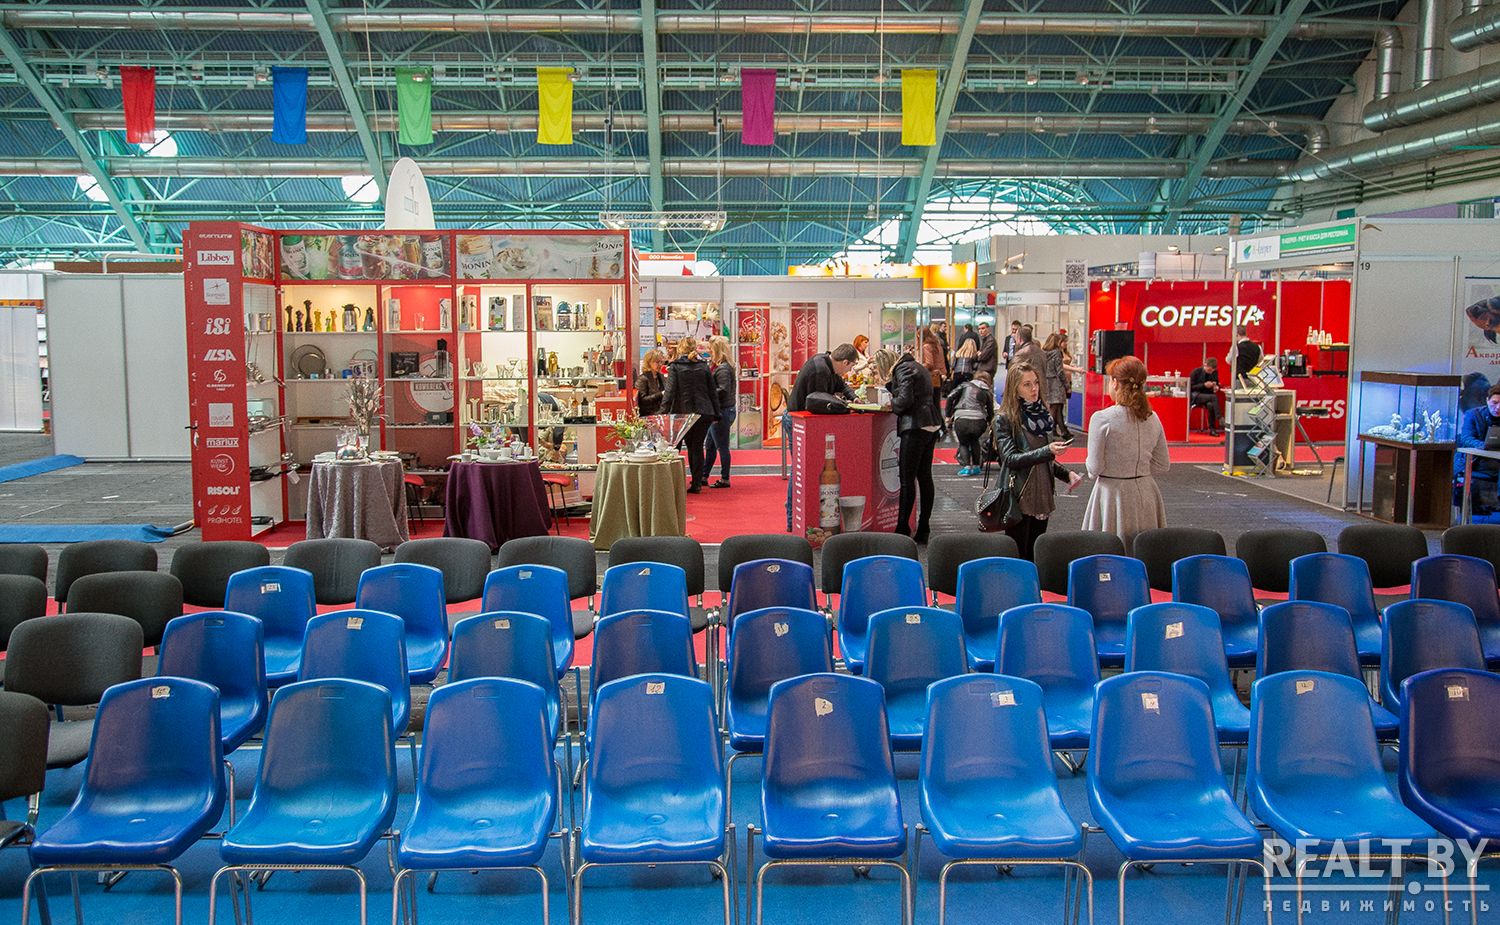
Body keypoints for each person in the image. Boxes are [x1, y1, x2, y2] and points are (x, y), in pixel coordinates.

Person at [980, 362, 1080, 559]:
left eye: (1036, 382)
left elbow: (1043, 458)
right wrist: (1047, 451)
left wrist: (1067, 474)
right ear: (1015, 388)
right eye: (1027, 384)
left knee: (1036, 552)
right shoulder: (1005, 419)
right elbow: (1010, 459)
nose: (1034, 388)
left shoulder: (1042, 415)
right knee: (1019, 554)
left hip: (1042, 493)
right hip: (1019, 495)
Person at [1082, 356, 1170, 545]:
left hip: (1112, 496)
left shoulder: (1102, 419)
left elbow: (1094, 468)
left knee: (1109, 552)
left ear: (1115, 382)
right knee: (1145, 551)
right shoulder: (1152, 417)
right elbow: (1163, 464)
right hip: (1146, 494)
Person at [785, 343, 859, 529]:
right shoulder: (820, 371)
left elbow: (841, 385)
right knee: (799, 469)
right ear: (845, 362)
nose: (850, 371)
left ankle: (795, 517)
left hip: (799, 420)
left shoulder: (828, 365)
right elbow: (818, 402)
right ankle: (792, 518)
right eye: (851, 366)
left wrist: (854, 397)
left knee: (801, 468)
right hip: (797, 421)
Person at [879, 347, 941, 543]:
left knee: (907, 480)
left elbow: (905, 400)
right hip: (930, 424)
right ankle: (923, 527)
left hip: (914, 426)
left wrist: (892, 404)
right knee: (925, 477)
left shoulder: (902, 369)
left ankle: (902, 528)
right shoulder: (916, 366)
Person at [660, 336, 719, 494]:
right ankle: (697, 482)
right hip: (704, 411)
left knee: (681, 446)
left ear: (680, 348)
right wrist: (716, 413)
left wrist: (662, 412)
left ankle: (676, 482)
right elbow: (712, 391)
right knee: (697, 446)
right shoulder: (703, 366)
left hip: (683, 412)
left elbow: (670, 392)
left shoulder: (675, 367)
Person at [1456, 382, 1500, 516]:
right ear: (1487, 400)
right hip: (1477, 461)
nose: (1498, 407)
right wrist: (1482, 445)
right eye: (1494, 403)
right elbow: (1466, 438)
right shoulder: (1473, 415)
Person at [700, 335, 737, 488]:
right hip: (721, 410)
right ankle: (704, 476)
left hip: (721, 412)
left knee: (721, 446)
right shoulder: (722, 367)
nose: (708, 352)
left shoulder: (722, 369)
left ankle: (725, 478)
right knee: (710, 445)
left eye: (710, 349)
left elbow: (723, 390)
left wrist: (706, 392)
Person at [946, 369, 994, 476]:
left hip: (962, 418)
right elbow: (990, 409)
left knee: (963, 443)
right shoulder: (987, 391)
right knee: (975, 440)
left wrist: (948, 415)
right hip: (979, 420)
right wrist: (991, 422)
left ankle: (967, 467)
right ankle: (976, 467)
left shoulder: (964, 385)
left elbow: (950, 397)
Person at [1040, 332, 1074, 439]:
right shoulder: (1057, 353)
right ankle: (1048, 432)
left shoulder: (1043, 353)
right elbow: (1060, 371)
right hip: (1056, 383)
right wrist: (1067, 386)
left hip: (1047, 382)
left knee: (1057, 408)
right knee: (1055, 409)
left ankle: (1063, 431)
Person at [919, 324, 948, 426]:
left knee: (930, 404)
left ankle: (936, 425)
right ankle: (941, 426)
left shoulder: (926, 346)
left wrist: (918, 365)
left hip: (930, 377)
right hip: (938, 376)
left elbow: (929, 363)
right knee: (936, 404)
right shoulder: (937, 345)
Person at [1189, 357, 1223, 435]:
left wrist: (1216, 386)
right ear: (1205, 365)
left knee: (1210, 405)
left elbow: (1217, 383)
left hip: (1208, 396)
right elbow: (1190, 387)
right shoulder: (1196, 372)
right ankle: (1219, 418)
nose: (1210, 373)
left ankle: (1212, 429)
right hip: (1196, 396)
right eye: (1209, 370)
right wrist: (1204, 385)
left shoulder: (1214, 372)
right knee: (1214, 397)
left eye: (1212, 371)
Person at [635, 349, 666, 416]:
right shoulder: (643, 379)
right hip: (648, 415)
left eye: (661, 362)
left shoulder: (660, 376)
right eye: (657, 362)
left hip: (660, 414)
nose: (660, 364)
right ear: (649, 362)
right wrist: (661, 394)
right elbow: (643, 400)